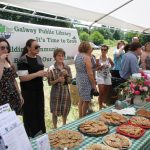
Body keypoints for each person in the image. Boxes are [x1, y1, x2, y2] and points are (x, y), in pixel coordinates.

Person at [17, 39, 46, 137]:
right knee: (30, 116)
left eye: (39, 47)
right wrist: (37, 74)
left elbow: (40, 73)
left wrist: (46, 74)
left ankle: (41, 136)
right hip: (28, 93)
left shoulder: (38, 58)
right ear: (28, 48)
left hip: (39, 91)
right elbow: (22, 78)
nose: (38, 49)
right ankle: (31, 138)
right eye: (35, 47)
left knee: (40, 114)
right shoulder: (23, 60)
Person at [48, 48, 72, 128]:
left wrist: (67, 75)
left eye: (62, 56)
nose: (61, 57)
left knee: (65, 110)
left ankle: (64, 125)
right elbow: (49, 83)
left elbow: (70, 81)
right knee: (55, 112)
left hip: (65, 92)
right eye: (59, 55)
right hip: (56, 93)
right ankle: (55, 127)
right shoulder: (51, 68)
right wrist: (58, 80)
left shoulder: (67, 68)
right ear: (55, 57)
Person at [0, 38, 23, 114]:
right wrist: (1, 62)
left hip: (12, 95)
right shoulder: (2, 61)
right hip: (2, 97)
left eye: (7, 48)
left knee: (12, 120)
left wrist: (19, 94)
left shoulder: (9, 61)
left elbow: (13, 79)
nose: (5, 50)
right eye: (2, 48)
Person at [75, 41, 97, 118]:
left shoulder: (78, 56)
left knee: (81, 98)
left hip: (79, 79)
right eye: (90, 47)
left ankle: (80, 117)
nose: (91, 49)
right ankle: (83, 118)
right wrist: (94, 85)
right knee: (86, 100)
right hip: (85, 80)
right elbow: (90, 73)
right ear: (87, 48)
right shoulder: (86, 58)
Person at [96, 45, 114, 109]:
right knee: (101, 91)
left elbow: (113, 65)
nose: (103, 51)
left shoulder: (108, 58)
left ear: (107, 51)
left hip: (107, 76)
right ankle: (100, 107)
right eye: (102, 49)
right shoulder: (98, 59)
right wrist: (100, 67)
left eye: (105, 50)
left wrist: (109, 67)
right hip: (100, 76)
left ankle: (103, 102)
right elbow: (95, 69)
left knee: (106, 91)